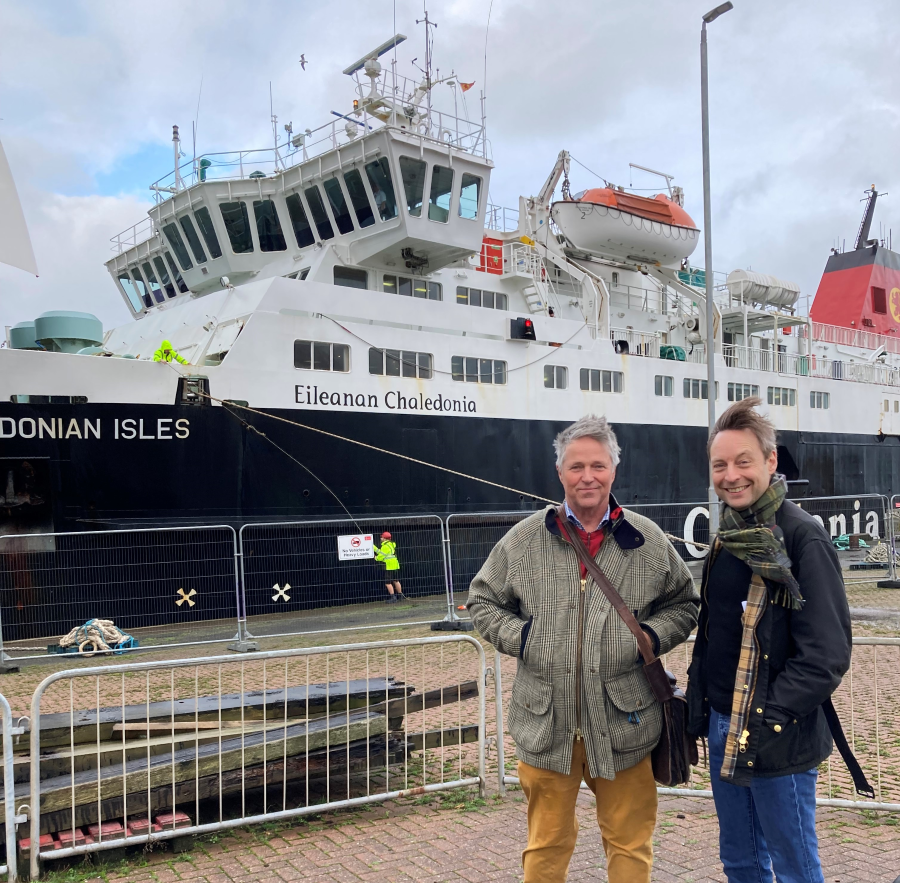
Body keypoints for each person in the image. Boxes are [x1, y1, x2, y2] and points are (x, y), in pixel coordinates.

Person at [467, 414, 699, 883]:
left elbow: (684, 603)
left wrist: (649, 639)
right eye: (576, 467)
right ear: (560, 473)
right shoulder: (526, 539)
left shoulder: (647, 540)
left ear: (613, 469)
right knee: (546, 847)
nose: (587, 476)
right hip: (546, 725)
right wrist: (525, 638)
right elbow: (482, 599)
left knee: (630, 845)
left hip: (626, 723)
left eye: (597, 465)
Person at [687, 397, 856, 883]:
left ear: (770, 462)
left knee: (795, 865)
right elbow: (713, 631)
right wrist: (700, 706)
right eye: (720, 465)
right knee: (740, 862)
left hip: (778, 733)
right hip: (724, 724)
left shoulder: (803, 539)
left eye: (743, 462)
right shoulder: (727, 537)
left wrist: (770, 717)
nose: (731, 475)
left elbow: (825, 654)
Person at [374, 531, 404, 602]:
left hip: (389, 566)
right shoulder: (391, 545)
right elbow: (381, 552)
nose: (380, 538)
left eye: (381, 537)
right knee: (396, 580)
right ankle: (400, 596)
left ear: (384, 538)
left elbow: (381, 556)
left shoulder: (385, 546)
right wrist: (373, 547)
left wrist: (376, 558)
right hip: (395, 565)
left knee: (388, 582)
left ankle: (393, 598)